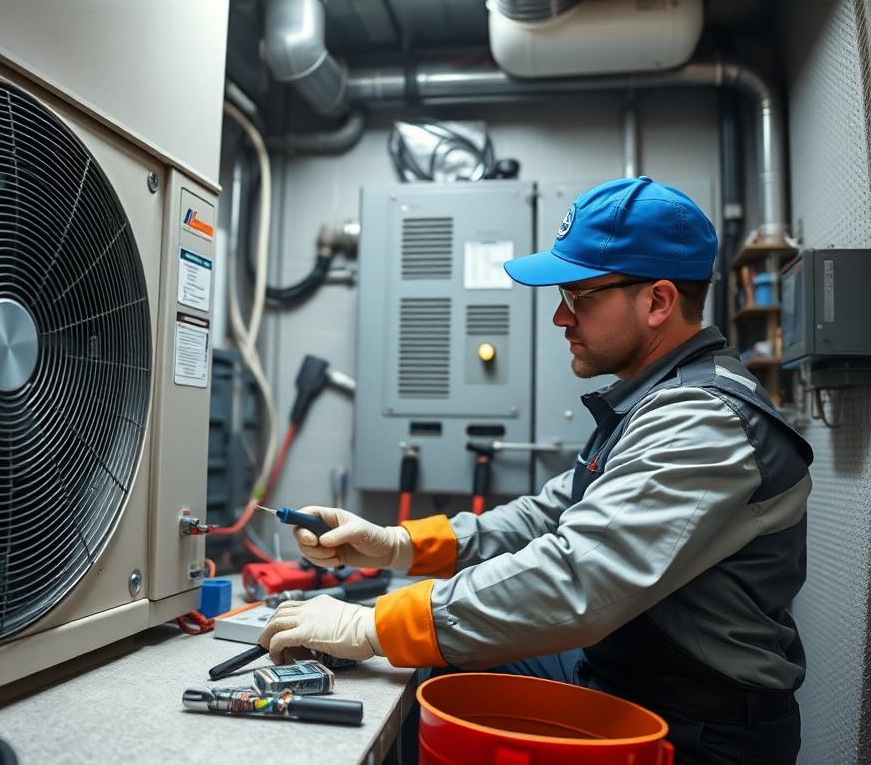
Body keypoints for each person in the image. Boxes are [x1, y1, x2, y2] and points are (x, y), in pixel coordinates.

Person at [258, 176, 813, 765]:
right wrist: (395, 544)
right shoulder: (653, 400)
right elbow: (546, 517)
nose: (559, 317)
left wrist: (373, 626)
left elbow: (576, 578)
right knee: (428, 676)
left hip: (699, 730)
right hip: (629, 678)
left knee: (416, 672)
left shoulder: (702, 421)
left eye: (579, 297)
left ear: (658, 301)